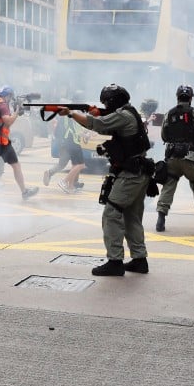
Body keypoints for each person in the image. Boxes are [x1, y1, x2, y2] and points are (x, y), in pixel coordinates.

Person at [56, 84, 153, 276]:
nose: (104, 106)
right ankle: (139, 259)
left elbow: (98, 125)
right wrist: (94, 112)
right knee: (131, 216)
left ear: (112, 102)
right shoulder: (129, 112)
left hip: (131, 174)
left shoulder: (123, 115)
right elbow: (104, 120)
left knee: (111, 213)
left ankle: (115, 261)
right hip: (139, 171)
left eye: (106, 103)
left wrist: (71, 113)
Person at [156, 85, 194, 231]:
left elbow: (164, 135)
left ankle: (160, 219)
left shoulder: (169, 114)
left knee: (168, 186)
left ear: (177, 97)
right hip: (190, 156)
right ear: (191, 98)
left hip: (172, 157)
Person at [44, 105, 88, 193]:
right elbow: (76, 129)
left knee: (75, 164)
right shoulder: (73, 114)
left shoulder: (66, 114)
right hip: (71, 142)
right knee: (76, 164)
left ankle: (71, 185)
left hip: (66, 142)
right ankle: (62, 180)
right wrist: (85, 135)